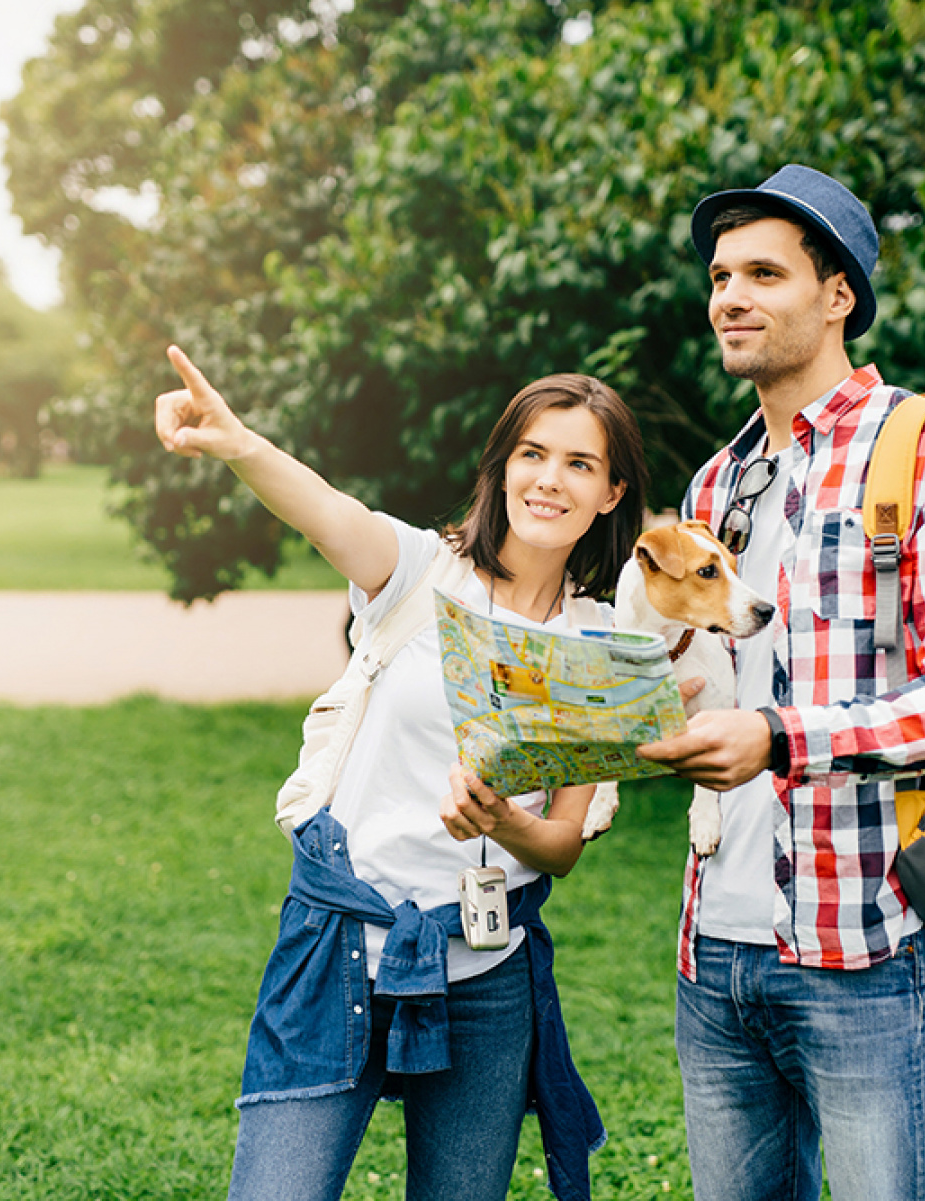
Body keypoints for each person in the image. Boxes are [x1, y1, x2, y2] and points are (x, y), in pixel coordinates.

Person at [154, 346, 649, 1201]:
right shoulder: (420, 572)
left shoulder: (599, 648)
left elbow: (563, 843)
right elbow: (325, 512)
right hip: (338, 952)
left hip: (485, 975)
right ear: (500, 467)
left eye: (580, 463)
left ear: (610, 492)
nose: (549, 479)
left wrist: (504, 822)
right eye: (532, 453)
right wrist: (238, 443)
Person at [637, 164, 925, 1200]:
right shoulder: (714, 484)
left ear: (838, 295)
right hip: (712, 956)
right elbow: (696, 679)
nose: (730, 296)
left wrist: (780, 736)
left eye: (764, 272)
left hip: (864, 949)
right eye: (721, 275)